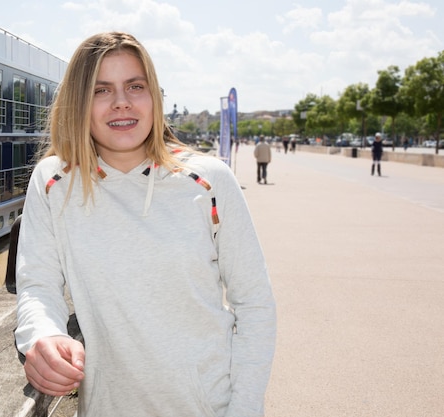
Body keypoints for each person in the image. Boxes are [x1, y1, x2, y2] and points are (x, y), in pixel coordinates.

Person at [14, 32, 276, 417]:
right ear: (78, 103)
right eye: (101, 90)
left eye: (135, 86)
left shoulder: (208, 180)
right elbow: (37, 284)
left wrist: (245, 409)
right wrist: (43, 335)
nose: (122, 102)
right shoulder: (53, 182)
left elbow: (254, 304)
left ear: (154, 96)